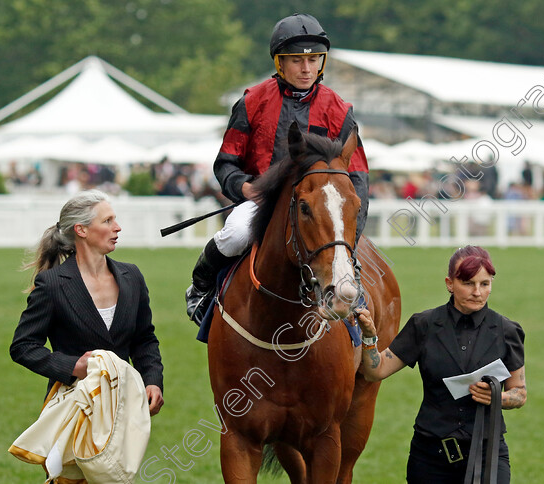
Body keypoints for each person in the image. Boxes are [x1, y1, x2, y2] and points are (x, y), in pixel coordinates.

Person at [184, 13, 370, 324]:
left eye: (313, 60)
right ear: (279, 63)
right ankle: (200, 287)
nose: (306, 69)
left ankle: (361, 333)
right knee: (236, 233)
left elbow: (358, 179)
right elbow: (226, 162)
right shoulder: (252, 101)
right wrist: (244, 187)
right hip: (263, 204)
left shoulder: (339, 110)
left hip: (320, 211)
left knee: (339, 256)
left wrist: (350, 232)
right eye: (296, 60)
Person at [355, 246, 526, 483]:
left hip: (488, 455)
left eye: (485, 284)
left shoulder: (508, 331)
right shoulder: (423, 325)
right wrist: (370, 337)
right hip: (430, 457)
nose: (477, 292)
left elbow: (519, 392)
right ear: (449, 283)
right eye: (468, 283)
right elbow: (376, 371)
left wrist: (498, 397)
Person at [10, 189, 164, 416]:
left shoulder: (132, 277)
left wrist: (152, 380)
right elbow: (23, 346)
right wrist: (72, 366)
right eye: (107, 221)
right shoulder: (52, 284)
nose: (117, 227)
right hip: (71, 410)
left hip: (124, 408)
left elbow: (144, 340)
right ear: (81, 230)